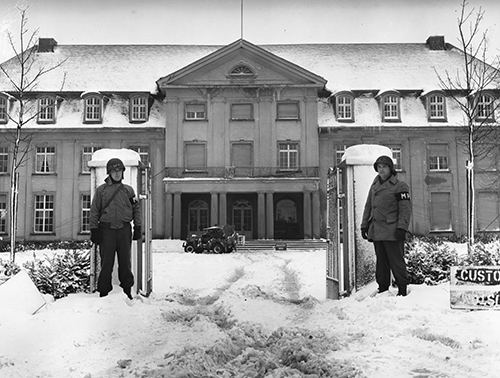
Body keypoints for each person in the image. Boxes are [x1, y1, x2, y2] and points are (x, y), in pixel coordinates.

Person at [89, 158, 141, 299]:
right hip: (107, 231)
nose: (117, 174)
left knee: (125, 262)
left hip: (124, 230)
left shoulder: (129, 191)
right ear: (109, 173)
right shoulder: (101, 191)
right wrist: (94, 229)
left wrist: (138, 226)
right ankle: (104, 292)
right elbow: (94, 211)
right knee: (107, 263)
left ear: (123, 173)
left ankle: (127, 291)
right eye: (114, 171)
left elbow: (136, 209)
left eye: (119, 171)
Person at [360, 155, 412, 296]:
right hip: (377, 230)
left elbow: (405, 210)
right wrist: (364, 225)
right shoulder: (375, 184)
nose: (381, 170)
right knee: (381, 262)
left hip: (393, 231)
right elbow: (368, 206)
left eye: (385, 167)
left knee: (396, 261)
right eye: (379, 167)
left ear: (391, 168)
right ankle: (382, 288)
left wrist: (402, 228)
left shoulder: (400, 186)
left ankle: (402, 288)